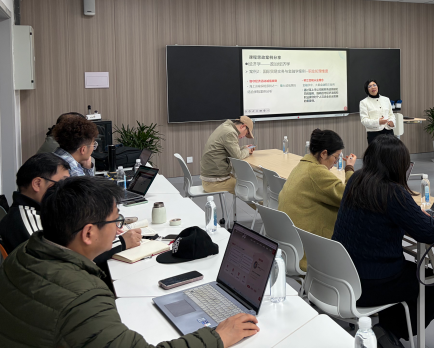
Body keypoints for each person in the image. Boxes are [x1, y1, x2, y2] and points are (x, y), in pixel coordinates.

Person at [0, 177, 260, 348]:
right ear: (88, 233)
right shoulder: (82, 299)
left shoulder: (23, 254)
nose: (119, 229)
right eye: (116, 221)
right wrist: (218, 337)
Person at [332, 136, 434, 347]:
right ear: (398, 165)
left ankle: (387, 328)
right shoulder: (393, 193)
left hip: (343, 275)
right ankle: (389, 332)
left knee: (410, 274)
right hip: (370, 283)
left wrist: (413, 216)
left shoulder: (356, 179)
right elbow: (428, 232)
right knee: (431, 280)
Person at [0, 153, 141, 271]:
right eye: (61, 182)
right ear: (37, 184)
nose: (67, 189)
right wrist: (121, 243)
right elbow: (64, 260)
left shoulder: (41, 210)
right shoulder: (25, 219)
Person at [278, 129, 356, 271]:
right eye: (336, 157)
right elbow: (350, 195)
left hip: (290, 246)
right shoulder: (317, 172)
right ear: (324, 153)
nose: (335, 162)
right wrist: (349, 168)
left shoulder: (303, 165)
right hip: (308, 252)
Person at [200, 116, 255, 196]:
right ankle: (265, 204)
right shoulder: (230, 133)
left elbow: (228, 150)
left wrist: (244, 148)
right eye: (246, 133)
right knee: (251, 189)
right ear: (243, 126)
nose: (244, 136)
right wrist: (247, 150)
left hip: (209, 178)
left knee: (245, 182)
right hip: (214, 182)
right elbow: (238, 156)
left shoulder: (225, 127)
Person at [360, 79, 395, 144]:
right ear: (367, 89)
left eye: (374, 85)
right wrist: (378, 122)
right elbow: (364, 120)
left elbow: (391, 114)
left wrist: (392, 122)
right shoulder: (364, 102)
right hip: (374, 133)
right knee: (376, 150)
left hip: (388, 131)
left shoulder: (386, 99)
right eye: (370, 86)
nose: (373, 87)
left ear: (377, 86)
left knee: (391, 150)